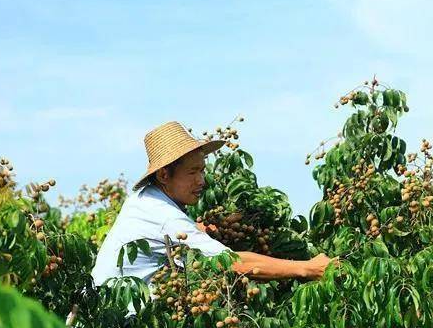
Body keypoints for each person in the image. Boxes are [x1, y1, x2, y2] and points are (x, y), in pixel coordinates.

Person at [91, 121, 335, 314]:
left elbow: (165, 236)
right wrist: (307, 268)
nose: (201, 180)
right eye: (192, 172)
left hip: (104, 316)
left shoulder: (145, 200)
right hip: (120, 327)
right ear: (164, 175)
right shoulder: (165, 217)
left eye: (202, 170)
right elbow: (230, 263)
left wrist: (198, 231)